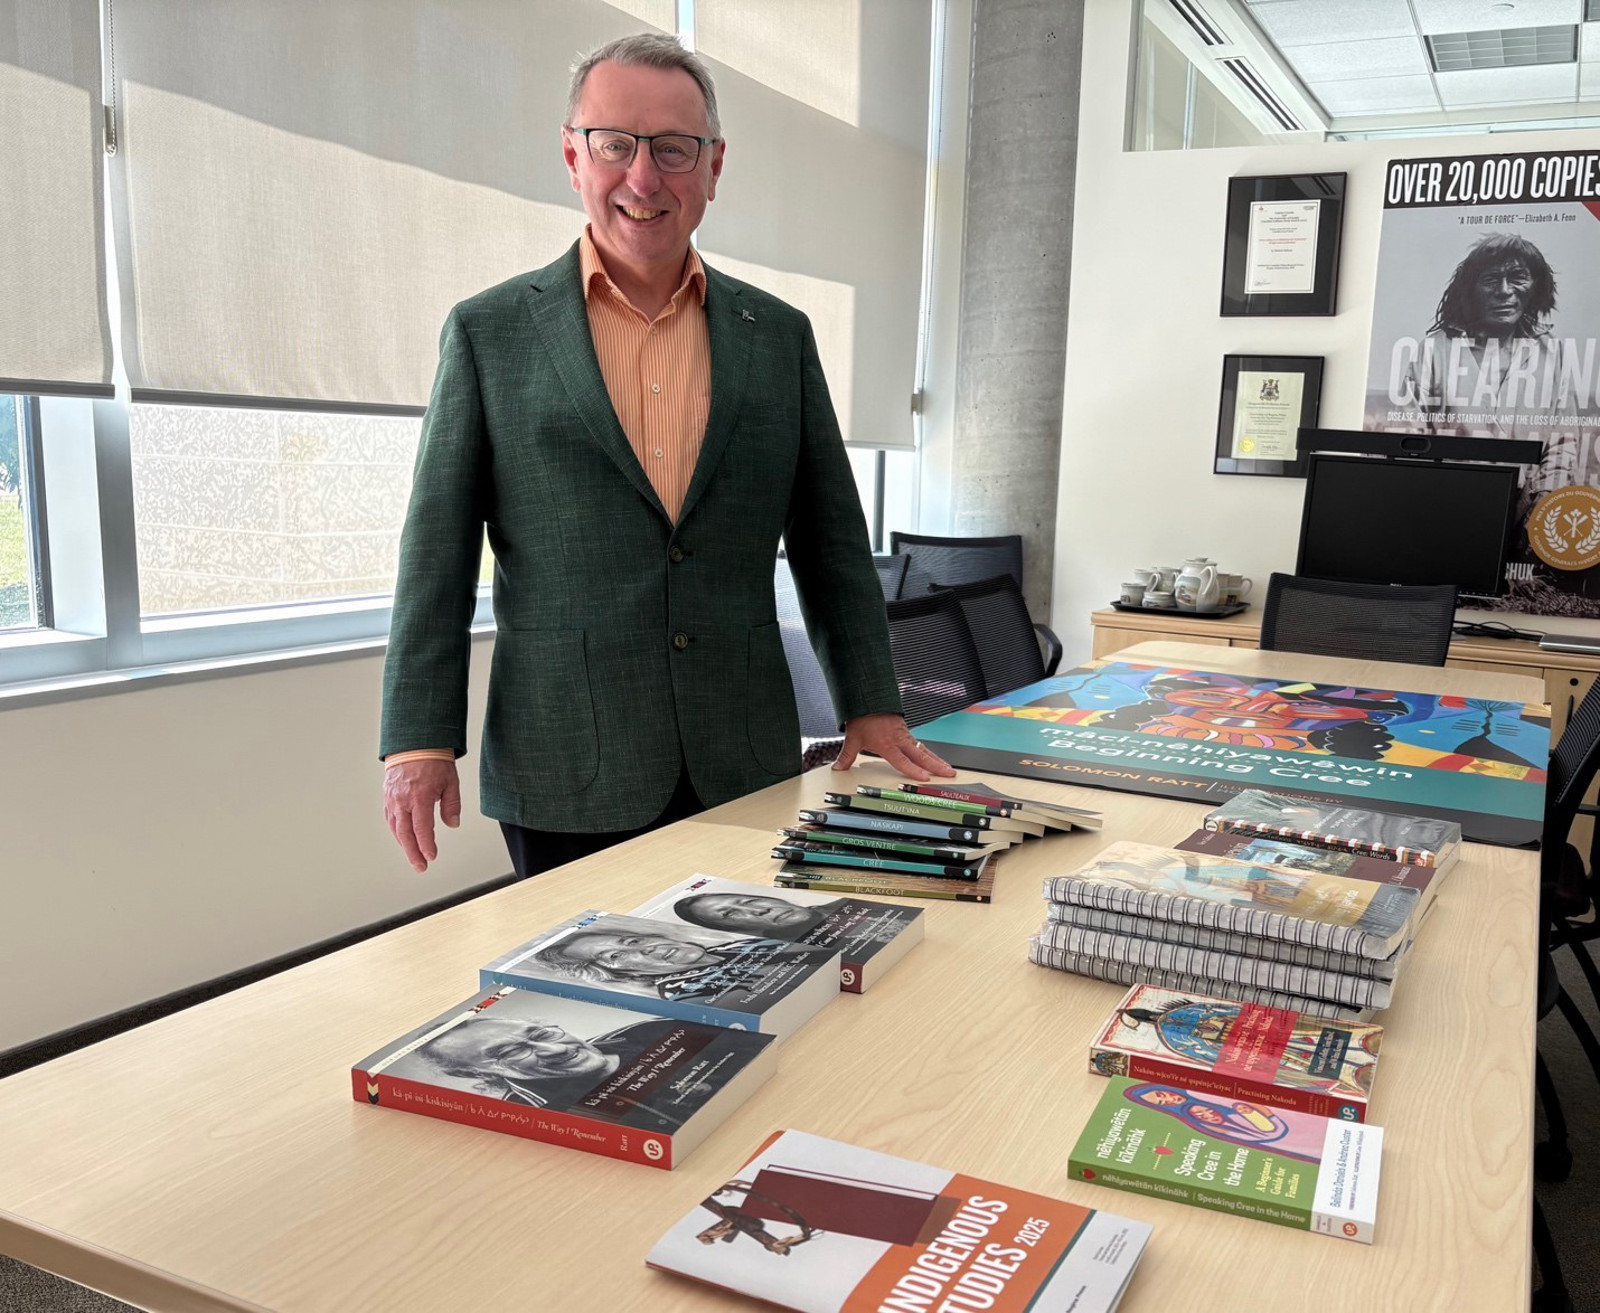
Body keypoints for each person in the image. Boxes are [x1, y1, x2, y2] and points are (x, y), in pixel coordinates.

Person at [380, 32, 953, 880]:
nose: (643, 179)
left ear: (714, 167)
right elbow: (437, 552)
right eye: (616, 145)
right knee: (585, 996)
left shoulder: (779, 338)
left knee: (753, 976)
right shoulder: (489, 334)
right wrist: (419, 738)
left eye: (674, 151)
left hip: (742, 753)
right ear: (573, 156)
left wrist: (870, 703)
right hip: (565, 757)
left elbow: (831, 543)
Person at [415, 1012, 685, 1112]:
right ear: (470, 1072)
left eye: (540, 1034)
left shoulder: (654, 1030)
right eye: (510, 1052)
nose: (554, 1049)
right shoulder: (544, 1116)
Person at [532, 925, 836, 1001]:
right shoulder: (687, 990)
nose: (648, 951)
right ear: (620, 973)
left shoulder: (738, 944)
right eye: (617, 957)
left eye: (632, 943)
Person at [672, 890, 901, 944]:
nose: (758, 910)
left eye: (750, 902)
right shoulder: (799, 956)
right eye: (730, 914)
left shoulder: (850, 901)